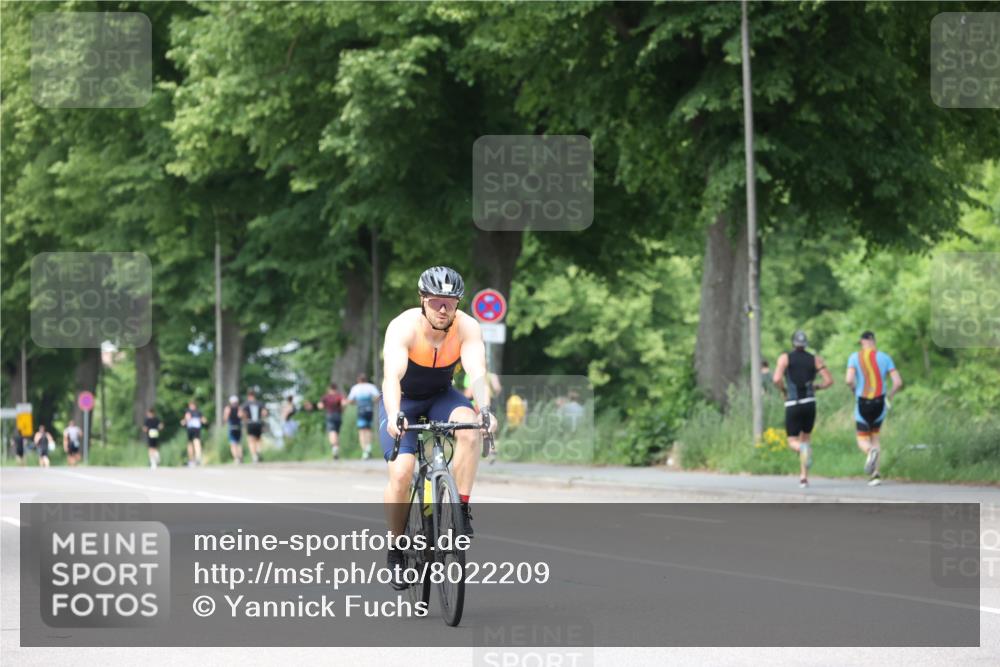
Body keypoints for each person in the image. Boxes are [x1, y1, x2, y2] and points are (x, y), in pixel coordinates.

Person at [380, 266, 497, 589]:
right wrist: (393, 415)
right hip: (404, 400)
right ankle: (396, 548)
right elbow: (392, 377)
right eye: (435, 302)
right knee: (402, 473)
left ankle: (459, 509)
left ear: (458, 302)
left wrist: (485, 409)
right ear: (422, 300)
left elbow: (477, 371)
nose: (443, 309)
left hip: (443, 396)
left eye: (450, 302)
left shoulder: (468, 327)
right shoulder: (403, 327)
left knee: (471, 428)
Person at [771, 331, 833, 488]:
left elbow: (777, 379)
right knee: (806, 438)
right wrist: (816, 387)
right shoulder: (815, 359)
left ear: (793, 343)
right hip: (810, 403)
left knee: (793, 441)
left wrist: (783, 390)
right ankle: (804, 478)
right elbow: (829, 381)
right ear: (806, 344)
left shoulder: (785, 358)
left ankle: (801, 451)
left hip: (793, 403)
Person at [845, 331, 903, 487]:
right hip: (880, 402)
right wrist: (889, 396)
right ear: (874, 341)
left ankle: (869, 452)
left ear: (862, 342)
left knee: (862, 440)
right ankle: (875, 475)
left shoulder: (854, 357)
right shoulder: (885, 358)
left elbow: (849, 380)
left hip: (862, 402)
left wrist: (854, 390)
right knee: (875, 437)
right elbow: (898, 382)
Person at [346, 374, 380, 460]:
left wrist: (355, 402)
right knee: (368, 429)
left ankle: (364, 452)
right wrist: (372, 401)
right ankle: (369, 448)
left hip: (360, 410)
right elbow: (378, 396)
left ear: (358, 380)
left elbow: (349, 400)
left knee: (361, 431)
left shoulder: (355, 388)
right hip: (369, 410)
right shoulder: (371, 386)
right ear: (366, 380)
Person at [317, 383, 345, 460]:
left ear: (329, 389)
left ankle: (334, 448)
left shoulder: (325, 397)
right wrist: (342, 410)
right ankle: (336, 448)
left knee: (332, 432)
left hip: (330, 415)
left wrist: (324, 406)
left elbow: (320, 406)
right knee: (337, 433)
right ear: (336, 389)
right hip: (338, 415)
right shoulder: (339, 396)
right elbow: (344, 403)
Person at [242, 390, 268, 463]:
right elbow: (265, 413)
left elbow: (242, 414)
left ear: (248, 396)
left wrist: (245, 420)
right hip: (258, 423)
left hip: (250, 423)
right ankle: (258, 451)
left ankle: (254, 456)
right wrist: (262, 420)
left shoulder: (246, 404)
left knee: (251, 441)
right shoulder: (259, 403)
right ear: (254, 395)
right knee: (258, 440)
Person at [181, 400, 204, 467]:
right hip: (196, 429)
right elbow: (203, 420)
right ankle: (196, 458)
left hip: (192, 429)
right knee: (195, 443)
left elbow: (186, 419)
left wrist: (184, 421)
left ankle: (193, 459)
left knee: (192, 443)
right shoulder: (198, 412)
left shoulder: (188, 412)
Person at [224, 395, 244, 463]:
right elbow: (241, 416)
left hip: (232, 426)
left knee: (233, 444)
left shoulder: (228, 408)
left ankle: (236, 458)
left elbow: (225, 418)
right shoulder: (239, 408)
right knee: (238, 443)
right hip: (238, 426)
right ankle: (240, 457)